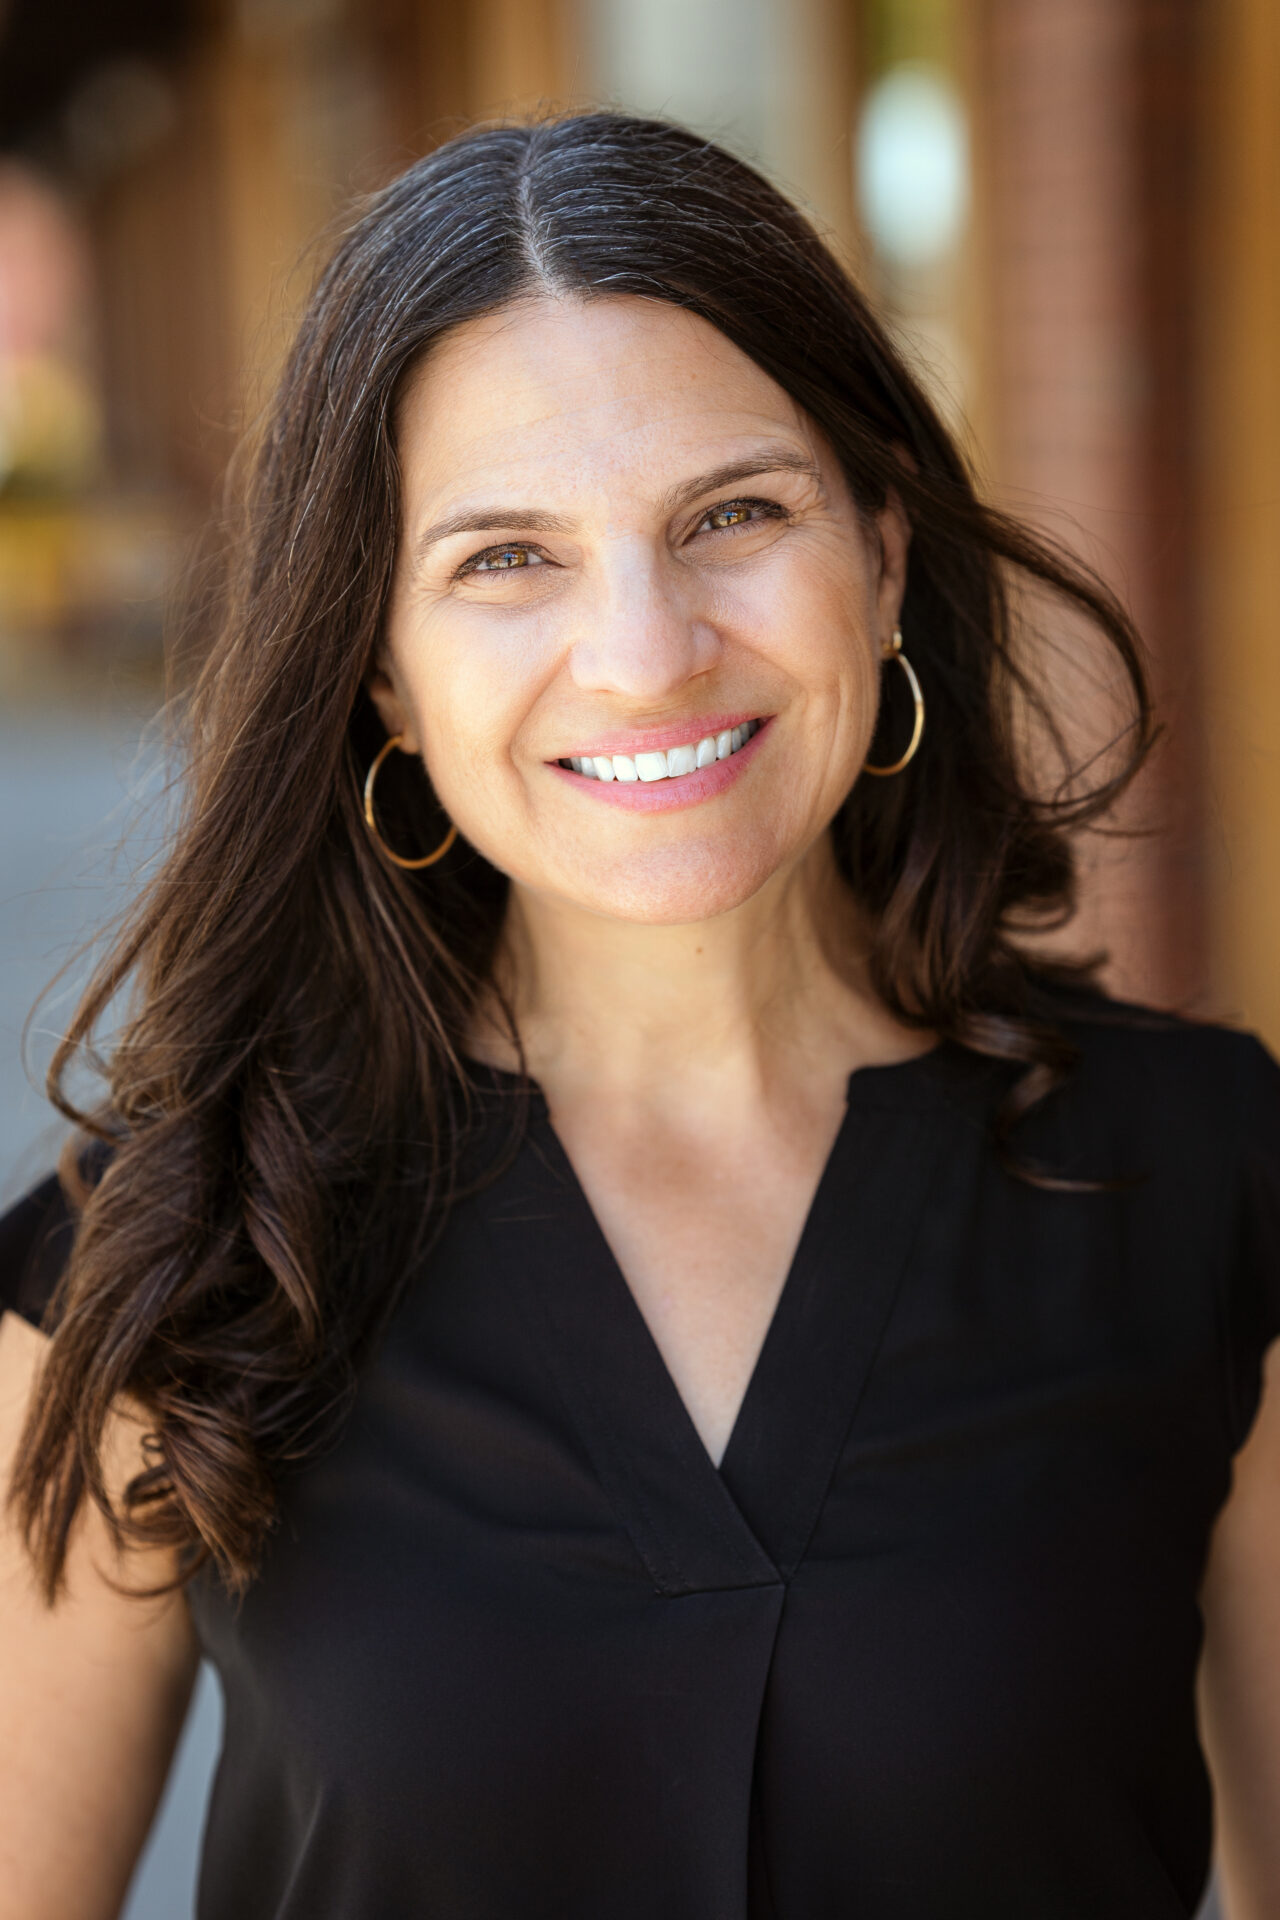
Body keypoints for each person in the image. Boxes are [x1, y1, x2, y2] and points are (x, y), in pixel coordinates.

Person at [1, 109, 1277, 1920]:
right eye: (504, 558)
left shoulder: (1207, 1182)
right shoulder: (166, 1241)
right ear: (382, 673)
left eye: (734, 513)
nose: (646, 648)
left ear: (885, 555)